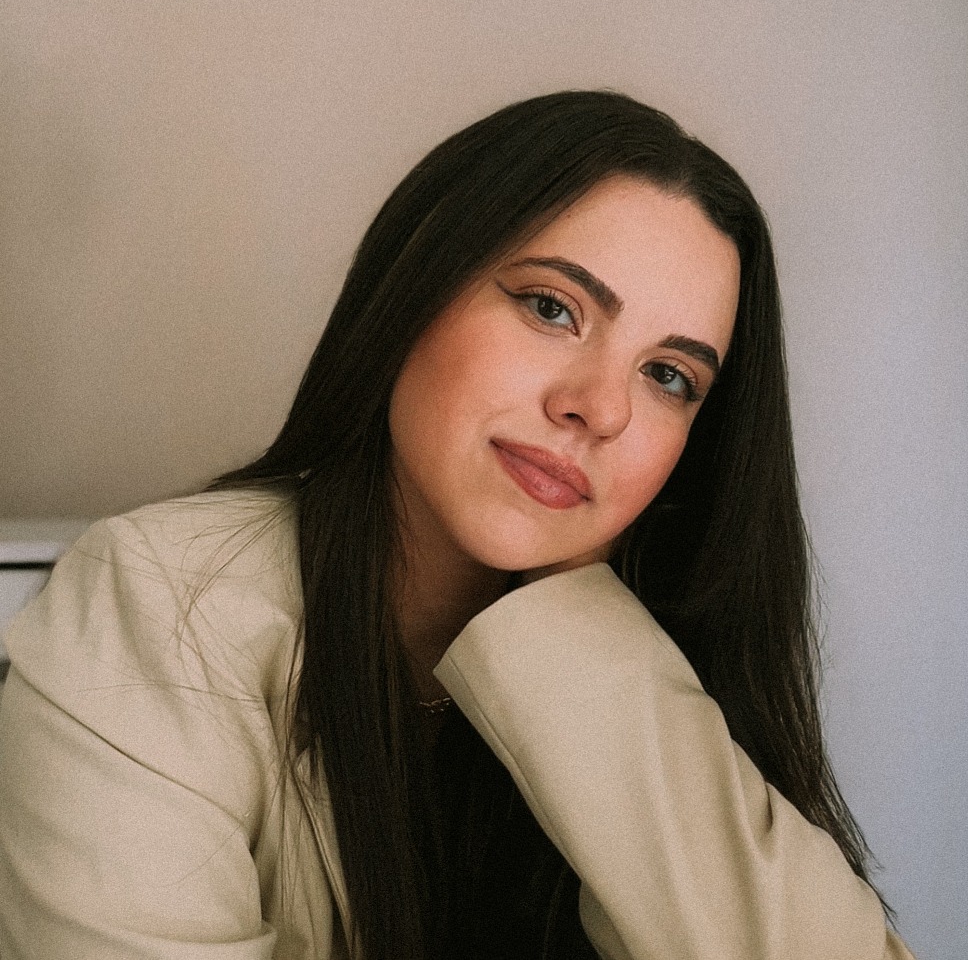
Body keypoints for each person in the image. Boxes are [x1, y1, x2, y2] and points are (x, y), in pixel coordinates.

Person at [0, 91, 915, 960]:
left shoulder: (665, 658)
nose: (599, 408)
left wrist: (575, 627)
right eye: (552, 308)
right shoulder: (154, 609)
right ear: (415, 288)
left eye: (669, 376)